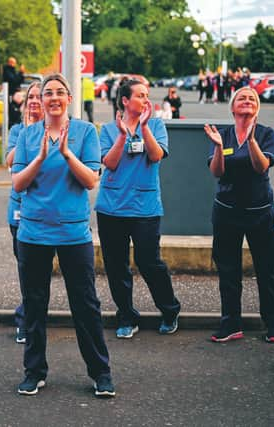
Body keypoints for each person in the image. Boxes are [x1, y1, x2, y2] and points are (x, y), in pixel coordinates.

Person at [12, 73, 115, 397]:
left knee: (86, 306)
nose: (53, 98)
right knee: (34, 305)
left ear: (69, 98)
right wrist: (41, 157)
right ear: (40, 101)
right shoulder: (29, 136)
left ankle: (101, 374)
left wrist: (68, 154)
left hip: (73, 234)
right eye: (47, 93)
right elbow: (18, 183)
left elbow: (90, 180)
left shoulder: (85, 132)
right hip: (33, 232)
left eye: (59, 92)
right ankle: (34, 372)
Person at [95, 79, 181, 340]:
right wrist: (123, 135)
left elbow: (155, 156)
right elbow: (109, 163)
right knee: (116, 266)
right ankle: (126, 316)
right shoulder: (109, 130)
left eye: (147, 95)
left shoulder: (155, 125)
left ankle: (169, 310)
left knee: (150, 262)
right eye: (141, 95)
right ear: (125, 101)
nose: (146, 100)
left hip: (145, 208)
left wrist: (143, 128)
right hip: (112, 209)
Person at [204, 86, 274, 344]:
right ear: (233, 107)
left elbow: (262, 167)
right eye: (242, 98)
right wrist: (217, 147)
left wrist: (250, 141)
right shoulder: (222, 134)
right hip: (227, 212)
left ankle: (273, 323)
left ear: (257, 108)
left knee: (267, 269)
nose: (247, 101)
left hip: (260, 212)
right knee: (228, 270)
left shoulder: (266, 133)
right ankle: (231, 323)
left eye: (252, 98)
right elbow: (217, 172)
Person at [5, 81, 43, 344]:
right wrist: (28, 132)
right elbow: (10, 161)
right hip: (19, 210)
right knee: (26, 270)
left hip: (48, 211)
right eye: (30, 96)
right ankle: (26, 321)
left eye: (39, 97)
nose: (34, 101)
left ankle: (34, 316)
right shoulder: (18, 130)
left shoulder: (57, 131)